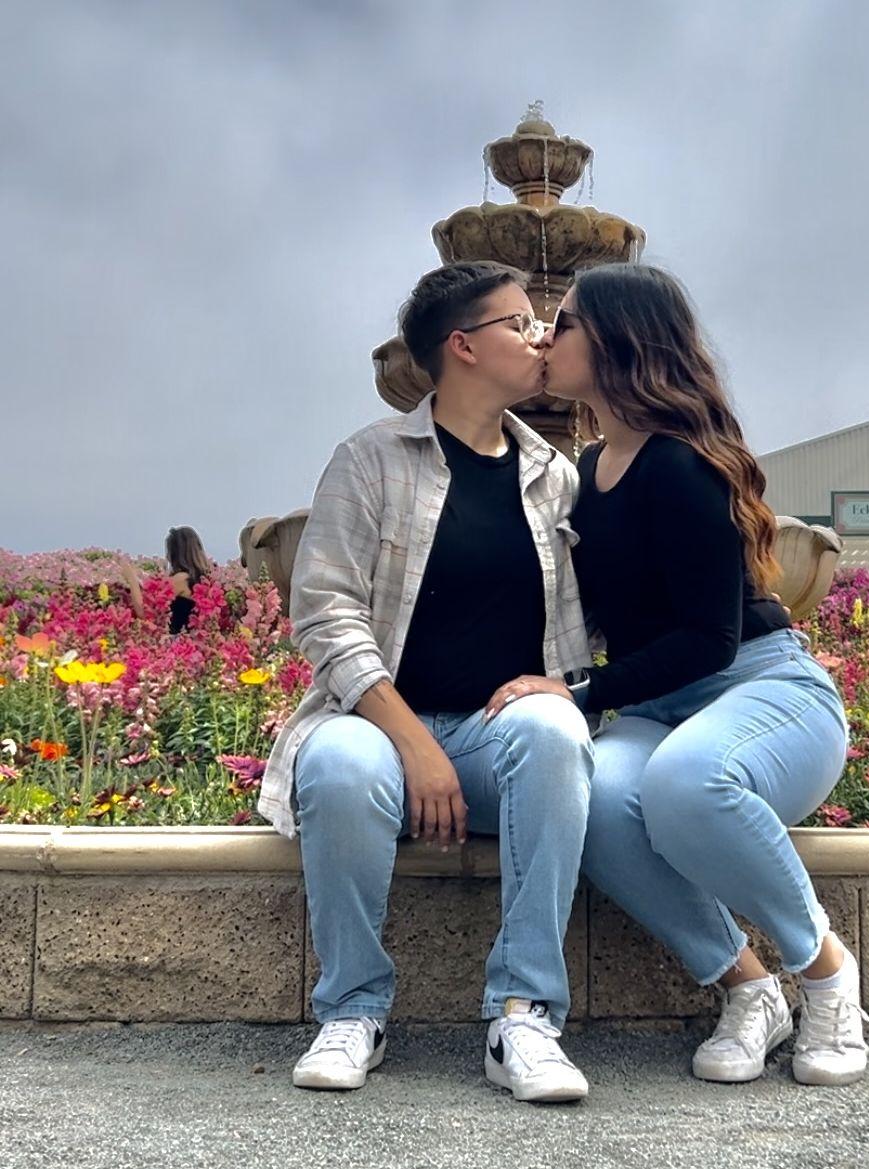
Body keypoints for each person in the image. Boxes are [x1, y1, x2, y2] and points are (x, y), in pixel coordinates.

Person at [485, 263, 869, 1088]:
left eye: (566, 323)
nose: (546, 337)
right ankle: (749, 988)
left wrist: (580, 693)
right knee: (591, 803)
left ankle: (827, 973)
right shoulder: (587, 471)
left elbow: (709, 638)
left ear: (618, 341)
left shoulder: (683, 465)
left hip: (761, 688)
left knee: (687, 781)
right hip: (658, 706)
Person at [257, 261, 595, 1102]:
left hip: (494, 737)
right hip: (378, 729)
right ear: (463, 346)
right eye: (520, 323)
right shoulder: (371, 460)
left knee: (557, 732)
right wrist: (414, 744)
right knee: (338, 764)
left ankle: (523, 1014)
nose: (541, 338)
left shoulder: (553, 474)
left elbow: (589, 626)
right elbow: (325, 613)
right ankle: (352, 1008)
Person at [112, 526, 212, 635]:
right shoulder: (201, 579)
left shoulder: (181, 578)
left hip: (174, 641)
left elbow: (145, 613)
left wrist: (131, 578)